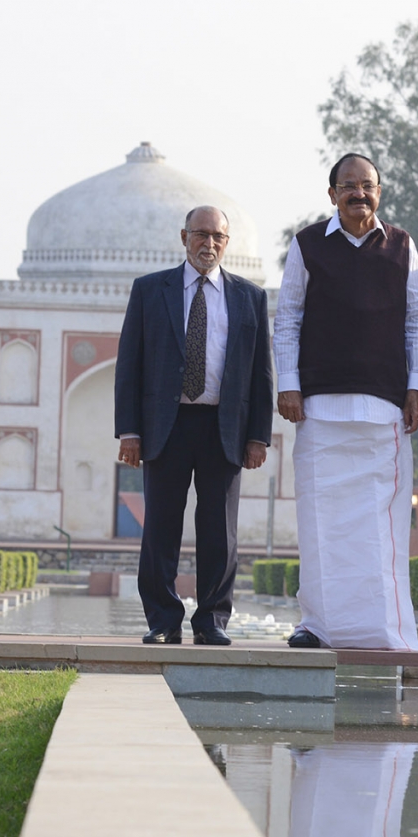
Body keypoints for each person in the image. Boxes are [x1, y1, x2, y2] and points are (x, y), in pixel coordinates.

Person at [275, 153, 418, 651]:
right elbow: (289, 319)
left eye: (367, 185)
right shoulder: (306, 247)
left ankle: (384, 627)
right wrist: (288, 383)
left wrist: (417, 387)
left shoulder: (402, 246)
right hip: (319, 407)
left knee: (379, 529)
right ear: (332, 193)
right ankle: (317, 625)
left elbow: (416, 324)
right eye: (348, 186)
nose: (358, 194)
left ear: (379, 190)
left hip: (384, 408)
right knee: (321, 523)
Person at [115, 205, 273, 646]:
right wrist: (129, 431)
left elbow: (261, 372)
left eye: (218, 237)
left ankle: (212, 620)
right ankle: (164, 619)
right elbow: (130, 365)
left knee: (219, 530)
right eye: (201, 234)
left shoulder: (249, 297)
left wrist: (259, 435)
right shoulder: (151, 290)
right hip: (167, 424)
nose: (209, 244)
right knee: (161, 526)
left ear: (227, 243)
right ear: (184, 236)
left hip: (223, 426)